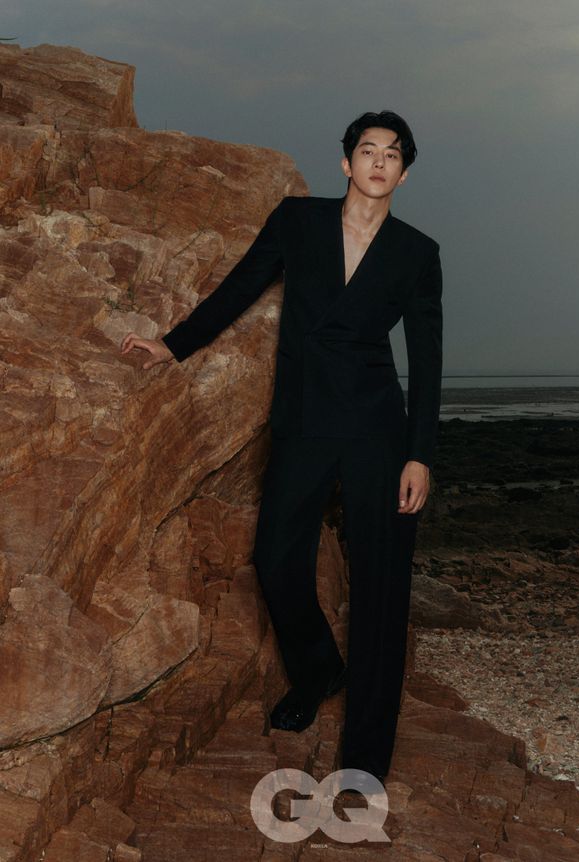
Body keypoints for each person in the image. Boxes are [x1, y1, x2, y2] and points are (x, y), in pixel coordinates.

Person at [120, 110, 443, 787]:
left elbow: (427, 360)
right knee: (274, 558)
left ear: (404, 174)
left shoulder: (417, 252)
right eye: (367, 150)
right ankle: (318, 668)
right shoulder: (298, 221)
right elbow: (241, 287)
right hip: (304, 418)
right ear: (346, 163)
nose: (379, 162)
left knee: (383, 589)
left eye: (392, 155)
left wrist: (419, 454)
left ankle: (364, 763)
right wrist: (172, 345)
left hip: (376, 429)